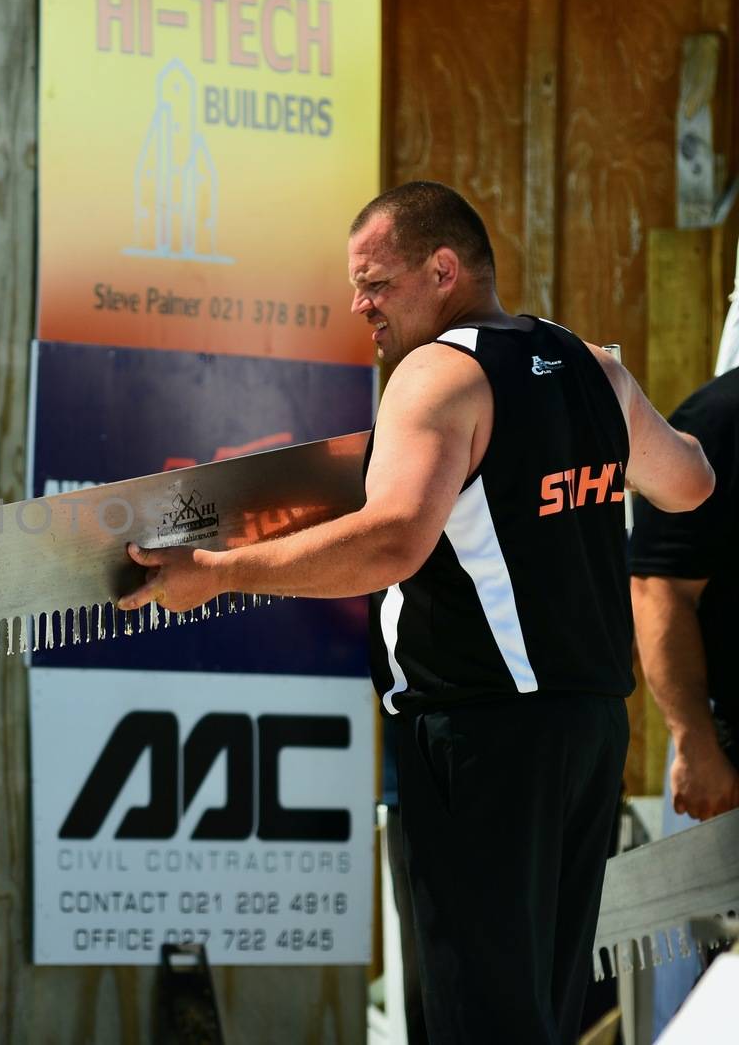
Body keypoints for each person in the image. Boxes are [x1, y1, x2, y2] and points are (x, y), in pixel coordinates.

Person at [118, 181, 715, 1043]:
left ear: (443, 269)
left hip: (477, 739)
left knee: (475, 1020)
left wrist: (216, 573)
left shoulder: (436, 373)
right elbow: (691, 481)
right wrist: (590, 445)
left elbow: (394, 538)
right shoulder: (595, 369)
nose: (359, 304)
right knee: (535, 1013)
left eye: (376, 282)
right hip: (588, 733)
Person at [628, 367, 739, 1031]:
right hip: (728, 759)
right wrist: (696, 740)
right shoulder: (722, 418)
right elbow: (660, 586)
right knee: (709, 988)